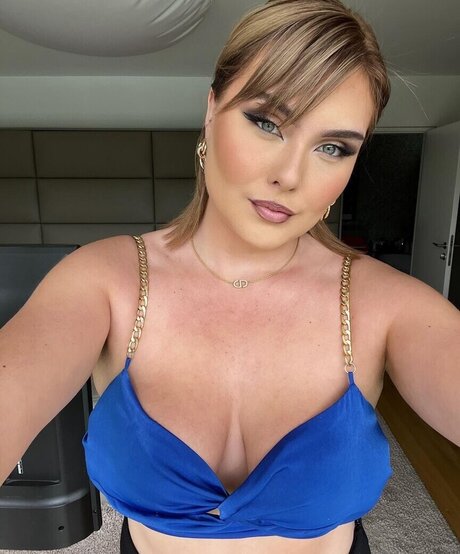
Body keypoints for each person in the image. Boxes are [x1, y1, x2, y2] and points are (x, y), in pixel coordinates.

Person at [1, 0, 459, 552]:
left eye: (332, 148)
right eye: (267, 123)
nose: (290, 175)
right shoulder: (104, 282)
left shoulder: (388, 304)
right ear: (211, 109)